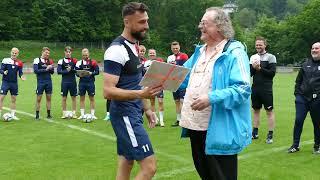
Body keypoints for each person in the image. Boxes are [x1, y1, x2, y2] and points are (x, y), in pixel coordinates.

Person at [179, 7, 251, 180]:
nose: (200, 27)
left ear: (219, 27)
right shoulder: (200, 52)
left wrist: (211, 98)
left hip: (219, 128)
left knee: (221, 176)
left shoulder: (234, 52)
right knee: (205, 174)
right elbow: (181, 76)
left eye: (204, 23)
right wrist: (160, 80)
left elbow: (243, 88)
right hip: (195, 125)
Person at [103, 2, 163, 180]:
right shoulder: (116, 50)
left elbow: (137, 83)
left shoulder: (134, 46)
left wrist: (147, 109)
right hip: (125, 114)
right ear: (127, 22)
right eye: (141, 22)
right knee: (149, 167)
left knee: (126, 161)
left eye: (147, 21)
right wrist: (140, 95)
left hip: (134, 112)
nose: (146, 26)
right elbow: (107, 91)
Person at [287, 42, 320, 154]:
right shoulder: (305, 64)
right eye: (313, 48)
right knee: (298, 120)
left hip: (317, 100)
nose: (314, 50)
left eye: (317, 48)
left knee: (317, 123)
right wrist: (297, 94)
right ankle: (295, 145)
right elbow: (298, 81)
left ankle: (317, 146)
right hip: (302, 98)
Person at [250, 36, 277, 144]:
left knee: (269, 111)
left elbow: (272, 74)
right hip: (255, 88)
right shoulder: (253, 57)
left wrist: (260, 69)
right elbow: (250, 73)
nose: (258, 46)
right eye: (257, 45)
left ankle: (270, 134)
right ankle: (255, 132)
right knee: (256, 110)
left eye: (260, 44)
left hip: (266, 89)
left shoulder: (271, 57)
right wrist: (253, 67)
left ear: (265, 45)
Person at [0, 47, 26, 120]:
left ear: (18, 54)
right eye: (13, 52)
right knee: (1, 98)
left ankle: (13, 115)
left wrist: (22, 77)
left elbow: (20, 73)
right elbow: (1, 69)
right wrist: (3, 72)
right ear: (11, 52)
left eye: (15, 53)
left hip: (14, 83)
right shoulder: (5, 60)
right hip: (5, 82)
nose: (14, 54)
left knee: (14, 99)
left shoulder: (20, 63)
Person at [167, 41, 189, 127]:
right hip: (173, 82)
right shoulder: (169, 58)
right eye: (173, 48)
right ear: (171, 48)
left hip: (182, 82)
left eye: (176, 48)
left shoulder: (184, 56)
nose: (175, 49)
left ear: (179, 47)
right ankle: (178, 119)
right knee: (176, 101)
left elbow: (185, 69)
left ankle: (185, 119)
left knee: (183, 101)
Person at [76, 48, 99, 120]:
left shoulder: (93, 62)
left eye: (86, 55)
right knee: (82, 98)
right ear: (82, 55)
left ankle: (92, 114)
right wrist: (80, 74)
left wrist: (91, 73)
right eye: (83, 55)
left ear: (88, 54)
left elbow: (97, 72)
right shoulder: (79, 62)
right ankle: (82, 115)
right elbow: (77, 74)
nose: (85, 56)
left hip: (90, 83)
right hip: (82, 83)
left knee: (91, 98)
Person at [144, 49, 165, 127]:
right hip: (150, 85)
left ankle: (162, 120)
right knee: (152, 102)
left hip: (159, 84)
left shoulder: (159, 61)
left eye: (153, 53)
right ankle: (155, 119)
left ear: (155, 54)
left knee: (160, 102)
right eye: (150, 53)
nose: (152, 54)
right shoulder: (146, 63)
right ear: (148, 54)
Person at [33, 47, 54, 120]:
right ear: (42, 52)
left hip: (48, 82)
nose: (47, 54)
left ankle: (48, 114)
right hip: (40, 82)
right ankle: (37, 115)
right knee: (39, 99)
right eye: (46, 53)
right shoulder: (37, 60)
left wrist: (51, 68)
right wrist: (46, 69)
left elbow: (52, 72)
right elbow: (36, 71)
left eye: (48, 53)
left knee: (49, 98)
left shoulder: (50, 61)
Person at [57, 46, 78, 119]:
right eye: (67, 52)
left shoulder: (75, 61)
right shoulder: (61, 61)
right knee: (64, 98)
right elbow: (59, 72)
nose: (68, 53)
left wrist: (73, 70)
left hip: (73, 81)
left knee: (74, 98)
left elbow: (77, 70)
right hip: (64, 82)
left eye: (69, 52)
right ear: (64, 52)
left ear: (71, 52)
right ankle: (64, 113)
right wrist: (67, 71)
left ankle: (74, 113)